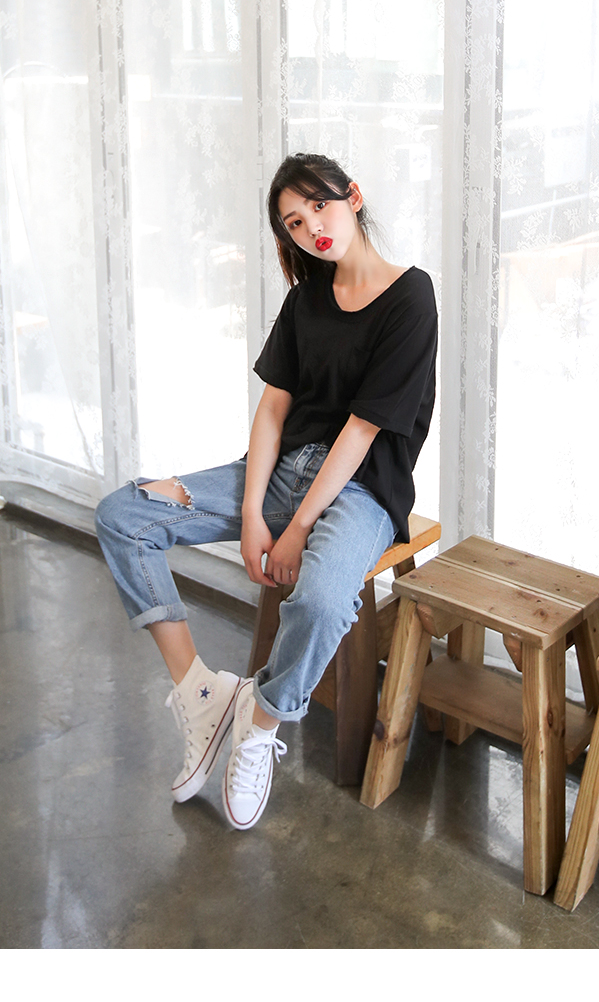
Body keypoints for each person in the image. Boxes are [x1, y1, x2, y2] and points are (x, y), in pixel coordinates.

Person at [95, 153, 438, 830]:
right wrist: (254, 512)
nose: (311, 227)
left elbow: (362, 431)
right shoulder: (307, 297)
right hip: (279, 472)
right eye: (294, 222)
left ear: (353, 197)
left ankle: (258, 724)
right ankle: (201, 697)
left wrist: (297, 529)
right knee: (124, 514)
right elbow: (274, 408)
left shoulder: (411, 296)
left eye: (319, 206)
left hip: (360, 491)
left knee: (319, 601)